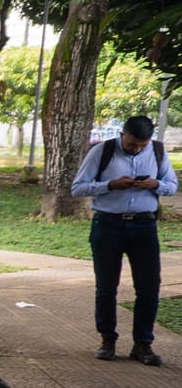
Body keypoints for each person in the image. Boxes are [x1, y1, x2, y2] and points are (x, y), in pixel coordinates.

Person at [71, 113, 175, 365]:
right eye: (131, 144)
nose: (137, 149)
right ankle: (107, 339)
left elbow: (172, 185)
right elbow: (78, 188)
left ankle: (143, 344)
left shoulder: (158, 151)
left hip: (144, 225)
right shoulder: (102, 151)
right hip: (108, 225)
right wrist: (110, 185)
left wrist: (155, 184)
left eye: (142, 145)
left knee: (149, 287)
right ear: (122, 135)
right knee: (107, 287)